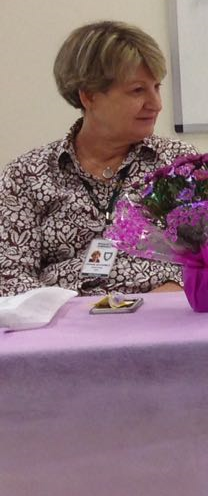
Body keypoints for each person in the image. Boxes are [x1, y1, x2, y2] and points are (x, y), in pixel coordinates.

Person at [0, 21, 193, 296]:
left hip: (161, 318)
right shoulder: (27, 175)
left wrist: (177, 288)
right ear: (89, 96)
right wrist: (66, 316)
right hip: (64, 329)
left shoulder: (179, 164)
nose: (156, 104)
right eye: (138, 90)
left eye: (156, 87)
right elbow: (10, 276)